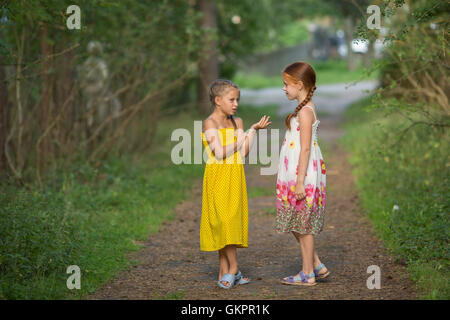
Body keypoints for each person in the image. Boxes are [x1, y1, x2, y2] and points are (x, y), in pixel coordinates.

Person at [200, 79, 271, 289]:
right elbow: (220, 152)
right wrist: (241, 137)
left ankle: (226, 270)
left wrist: (252, 131)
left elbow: (244, 151)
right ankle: (234, 268)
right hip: (217, 176)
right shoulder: (209, 123)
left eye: (237, 99)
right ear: (217, 100)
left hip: (234, 174)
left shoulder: (236, 122)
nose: (236, 103)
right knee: (221, 221)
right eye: (231, 99)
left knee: (229, 219)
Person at [276, 61, 330, 286]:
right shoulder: (302, 108)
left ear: (299, 85)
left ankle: (307, 273)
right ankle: (315, 264)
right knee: (294, 220)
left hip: (303, 174)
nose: (283, 89)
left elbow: (306, 148)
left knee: (303, 224)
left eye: (286, 84)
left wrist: (300, 182)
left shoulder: (306, 111)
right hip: (294, 172)